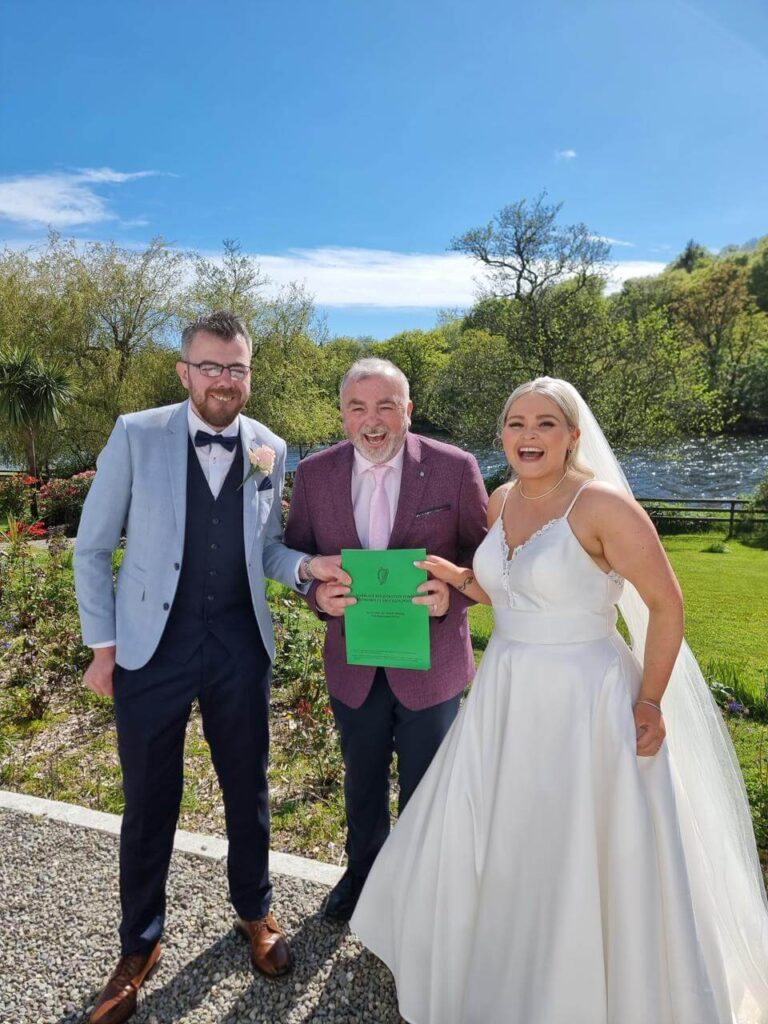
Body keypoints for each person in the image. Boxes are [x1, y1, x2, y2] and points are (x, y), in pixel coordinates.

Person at [351, 377, 768, 1024]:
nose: (528, 435)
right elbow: (512, 589)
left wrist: (651, 700)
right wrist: (460, 578)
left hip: (587, 699)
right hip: (507, 695)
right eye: (516, 423)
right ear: (502, 437)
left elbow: (666, 605)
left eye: (546, 423)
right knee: (505, 835)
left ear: (573, 436)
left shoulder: (602, 507)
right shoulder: (499, 501)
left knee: (587, 845)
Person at [74, 311, 347, 1024]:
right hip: (149, 649)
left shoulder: (270, 447)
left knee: (246, 789)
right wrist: (102, 649)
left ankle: (254, 913)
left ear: (250, 373)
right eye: (211, 367)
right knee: (149, 801)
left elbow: (266, 553)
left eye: (238, 368)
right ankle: (140, 944)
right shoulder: (137, 433)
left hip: (237, 645)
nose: (226, 380)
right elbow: (91, 547)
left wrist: (309, 568)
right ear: (184, 371)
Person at [284, 357, 488, 922]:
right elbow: (301, 553)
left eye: (385, 407)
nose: (372, 421)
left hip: (433, 665)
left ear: (408, 410)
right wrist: (315, 597)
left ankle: (422, 893)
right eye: (358, 407)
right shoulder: (315, 473)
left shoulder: (454, 468)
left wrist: (457, 595)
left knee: (427, 788)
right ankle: (364, 877)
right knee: (362, 780)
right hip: (353, 663)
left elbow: (484, 556)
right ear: (343, 414)